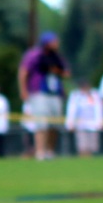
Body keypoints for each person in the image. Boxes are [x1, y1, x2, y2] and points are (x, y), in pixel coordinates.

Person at [20, 32, 68, 161]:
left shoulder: (57, 56)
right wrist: (23, 90)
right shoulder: (34, 54)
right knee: (41, 123)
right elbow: (24, 72)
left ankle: (50, 151)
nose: (57, 44)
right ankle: (40, 151)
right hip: (39, 92)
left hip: (55, 93)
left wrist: (57, 71)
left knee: (54, 124)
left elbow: (66, 73)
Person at [65, 80, 103, 157]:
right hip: (80, 125)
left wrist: (100, 123)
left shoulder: (94, 94)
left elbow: (98, 109)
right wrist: (70, 123)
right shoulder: (75, 95)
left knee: (92, 146)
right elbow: (72, 110)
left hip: (93, 125)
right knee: (82, 146)